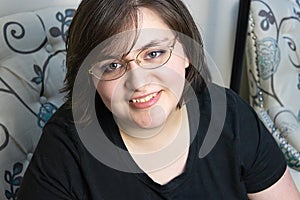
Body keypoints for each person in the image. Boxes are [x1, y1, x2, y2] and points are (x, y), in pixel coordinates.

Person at [17, 0, 300, 199]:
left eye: (154, 54)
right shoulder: (65, 147)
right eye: (112, 65)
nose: (139, 83)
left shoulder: (230, 117)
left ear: (187, 52)